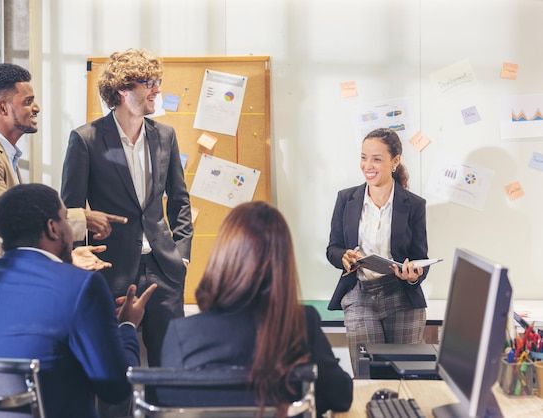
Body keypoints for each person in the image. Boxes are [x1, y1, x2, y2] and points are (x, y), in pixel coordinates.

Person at [0, 183, 157, 418]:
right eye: (65, 218)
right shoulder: (81, 286)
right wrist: (126, 326)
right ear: (52, 228)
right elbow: (115, 389)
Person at [61, 48, 193, 369]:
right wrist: (81, 264)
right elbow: (71, 210)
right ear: (122, 89)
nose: (157, 90)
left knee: (171, 369)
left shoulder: (165, 135)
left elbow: (180, 201)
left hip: (164, 271)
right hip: (110, 272)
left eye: (157, 81)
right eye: (149, 82)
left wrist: (183, 255)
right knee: (114, 366)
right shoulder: (86, 139)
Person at [160, 201, 353, 417]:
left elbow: (170, 404)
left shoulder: (182, 334)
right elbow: (341, 396)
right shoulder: (300, 323)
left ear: (223, 257)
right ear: (281, 262)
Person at [0, 62, 126, 281]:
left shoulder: (1, 153)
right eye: (28, 102)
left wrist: (68, 256)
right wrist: (81, 218)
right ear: (2, 108)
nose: (37, 108)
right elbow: (8, 226)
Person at [326, 127, 429, 375]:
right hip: (360, 295)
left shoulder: (414, 205)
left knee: (404, 378)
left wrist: (414, 276)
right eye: (363, 157)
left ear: (395, 161)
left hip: (402, 297)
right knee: (368, 375)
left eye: (376, 158)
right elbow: (333, 248)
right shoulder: (346, 199)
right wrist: (343, 257)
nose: (367, 165)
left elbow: (420, 258)